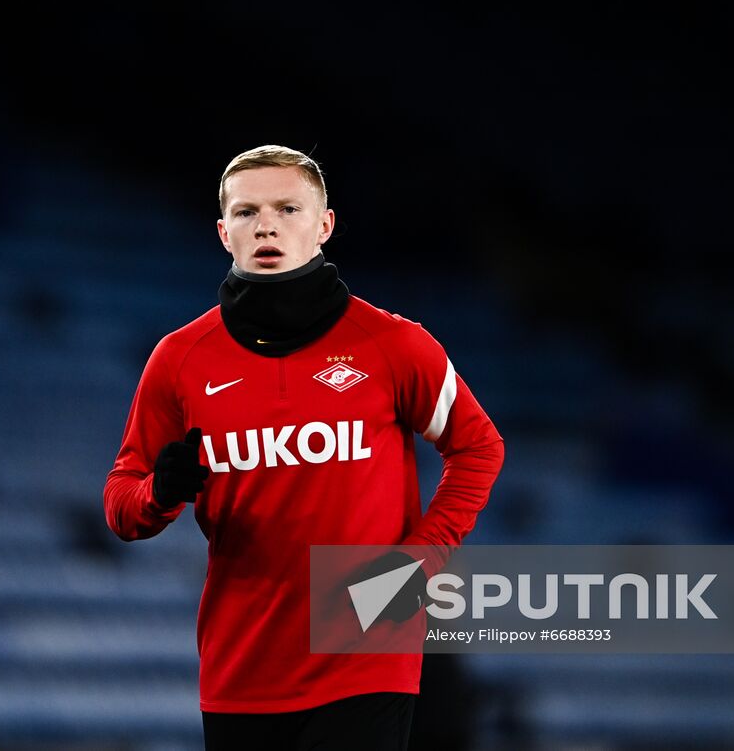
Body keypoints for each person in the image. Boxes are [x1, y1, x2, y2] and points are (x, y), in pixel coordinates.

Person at [103, 145, 504, 750]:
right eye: (246, 212)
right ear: (222, 232)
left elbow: (477, 447)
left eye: (288, 208)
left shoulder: (394, 345)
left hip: (365, 652)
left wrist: (420, 563)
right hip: (240, 663)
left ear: (325, 225)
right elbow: (120, 503)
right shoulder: (178, 360)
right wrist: (158, 493)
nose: (266, 224)